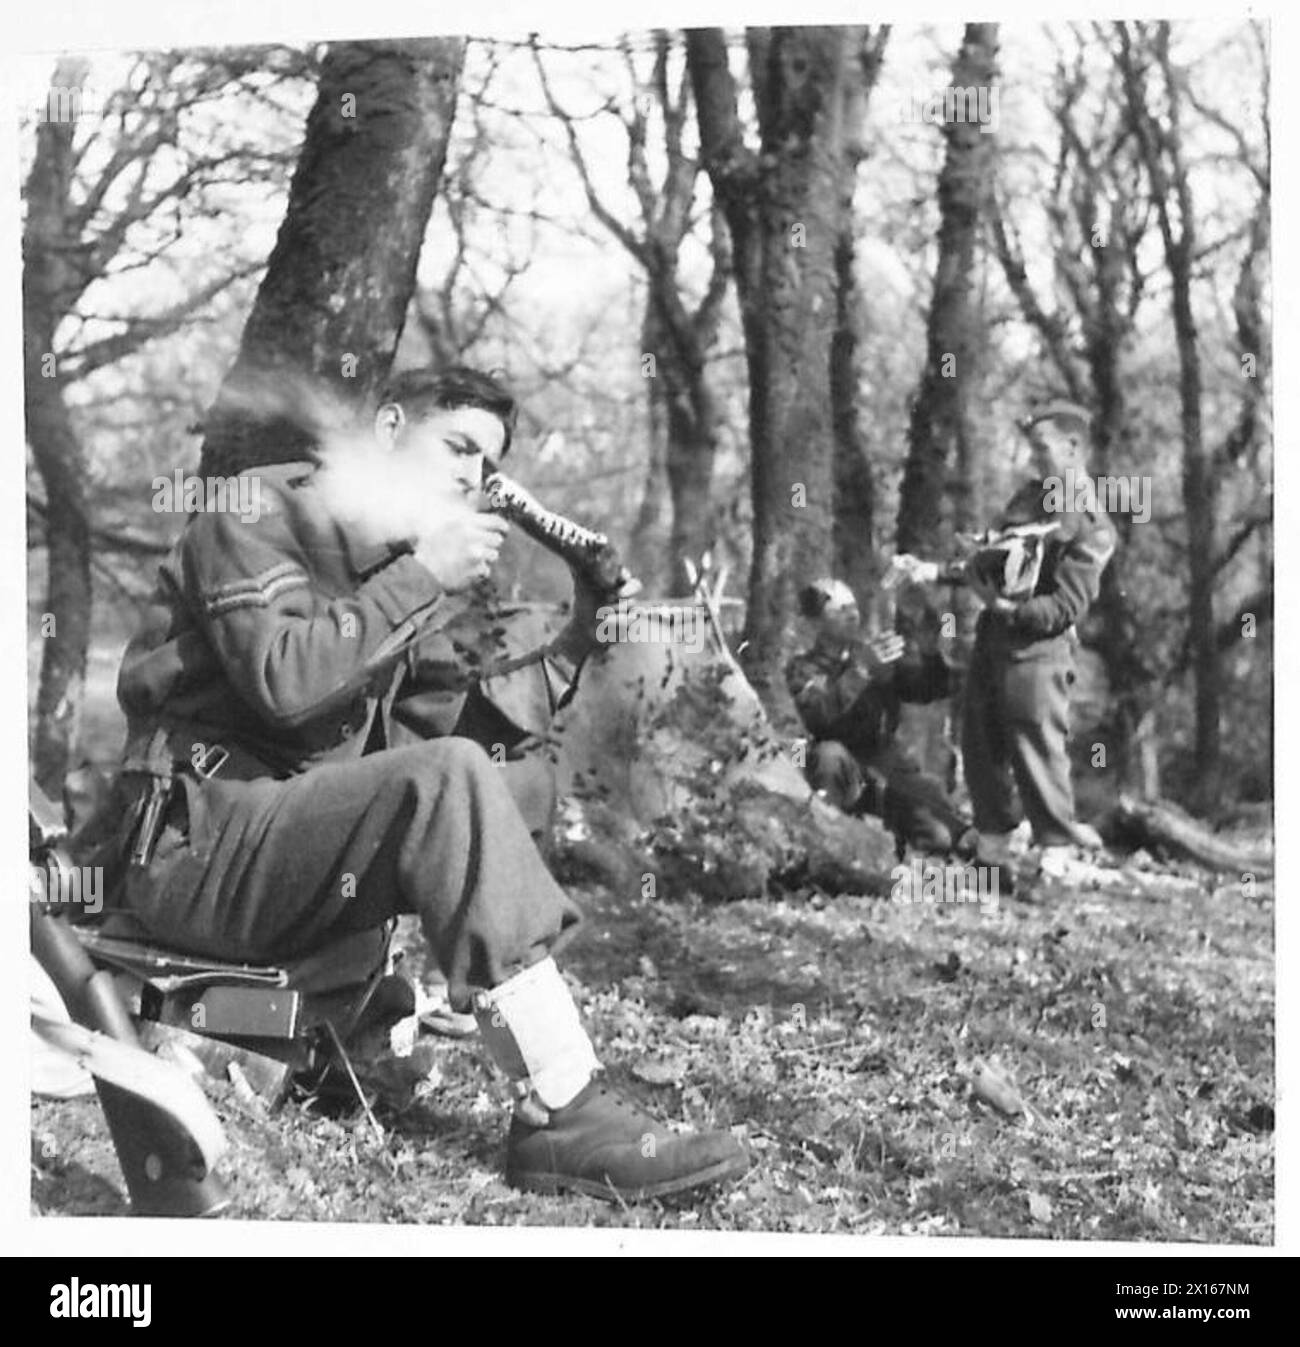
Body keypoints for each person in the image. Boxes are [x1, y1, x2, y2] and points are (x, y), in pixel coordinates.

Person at [110, 364, 749, 1201]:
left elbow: (449, 749)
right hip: (195, 849)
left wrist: (579, 632)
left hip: (278, 861)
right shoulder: (256, 512)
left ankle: (543, 1090)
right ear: (384, 428)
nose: (470, 477)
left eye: (486, 463)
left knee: (502, 783)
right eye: (455, 446)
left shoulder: (392, 560)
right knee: (450, 780)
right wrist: (423, 579)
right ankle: (563, 1105)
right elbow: (285, 683)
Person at [891, 400, 1117, 873]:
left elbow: (1065, 607)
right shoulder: (1028, 499)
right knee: (980, 740)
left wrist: (1008, 608)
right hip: (992, 641)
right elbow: (989, 561)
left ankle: (1056, 849)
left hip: (1038, 650)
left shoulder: (1090, 519)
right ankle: (994, 841)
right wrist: (932, 571)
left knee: (1036, 743)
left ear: (1073, 447)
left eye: (1043, 448)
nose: (1035, 458)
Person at [785, 578, 974, 856]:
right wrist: (862, 671)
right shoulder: (802, 667)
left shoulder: (875, 652)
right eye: (839, 611)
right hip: (839, 766)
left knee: (939, 834)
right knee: (829, 755)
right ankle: (827, 845)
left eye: (852, 607)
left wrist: (931, 652)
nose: (851, 615)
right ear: (816, 623)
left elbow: (928, 689)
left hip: (884, 763)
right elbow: (820, 717)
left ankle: (913, 851)